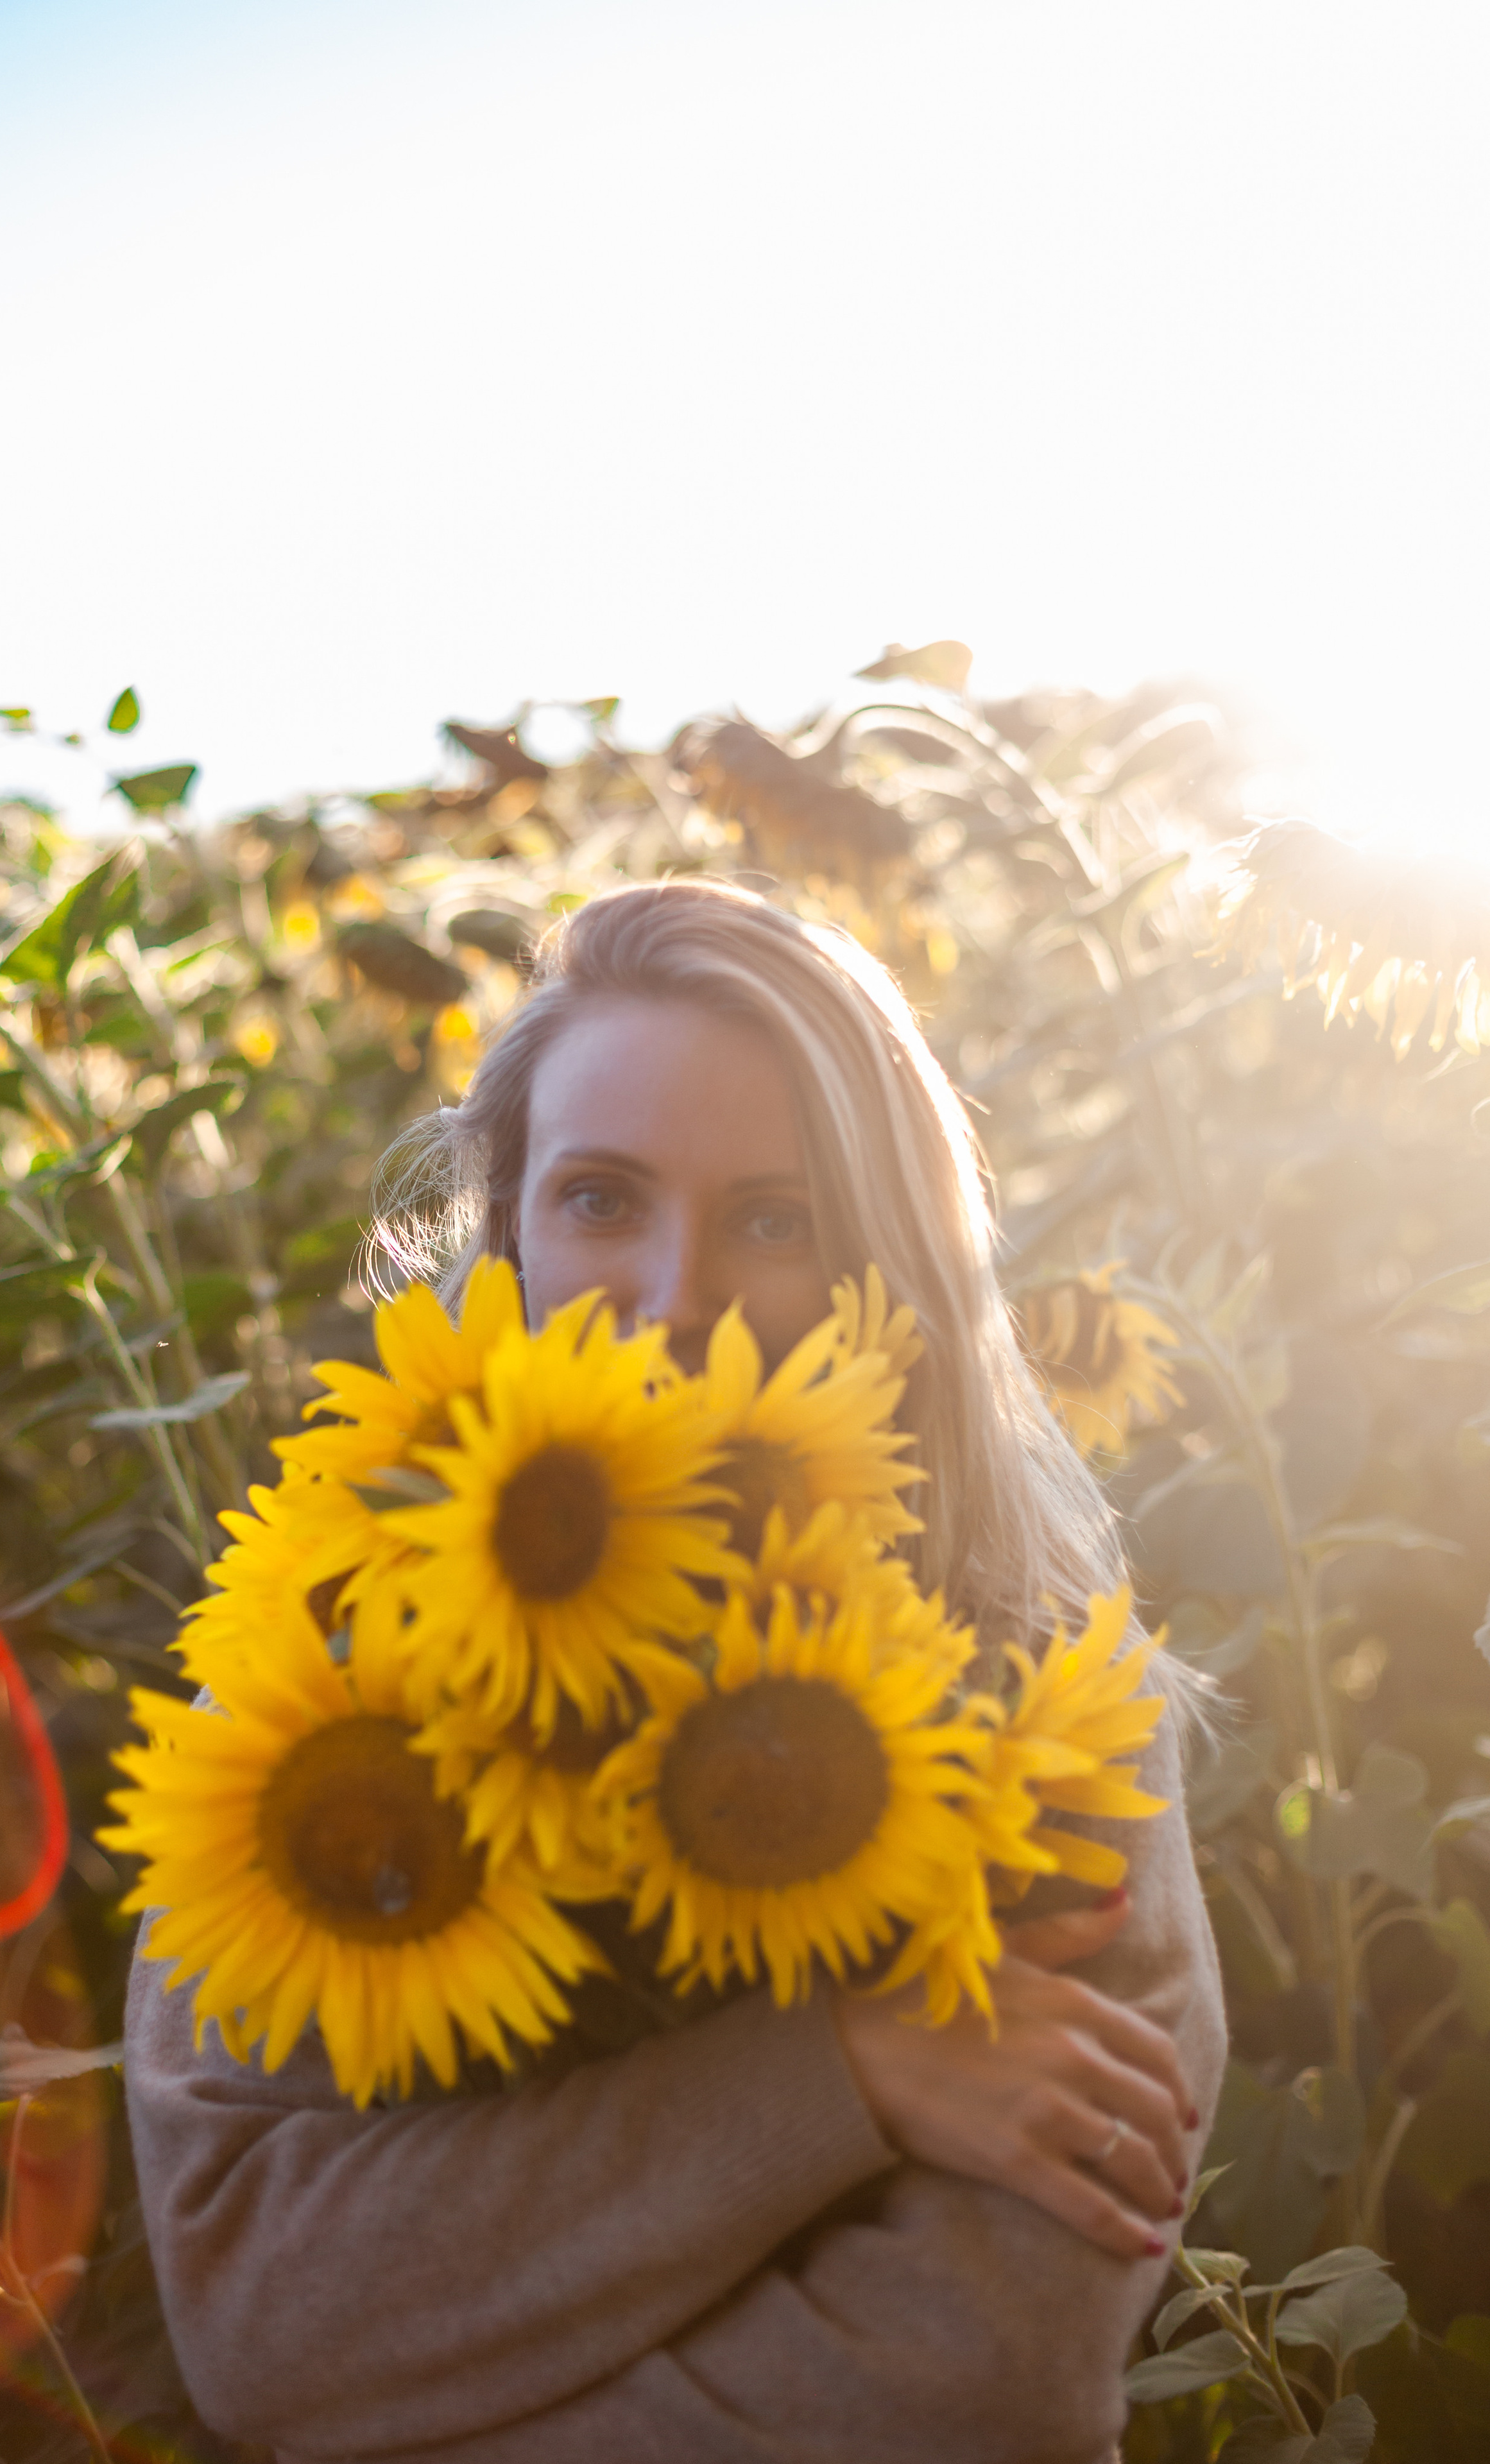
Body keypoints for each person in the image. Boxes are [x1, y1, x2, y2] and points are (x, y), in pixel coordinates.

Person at [125, 877, 1227, 2464]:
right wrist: (844, 2071)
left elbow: (985, 2380)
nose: (674, 1302)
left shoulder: (1039, 1680)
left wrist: (432, 2376)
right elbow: (264, 2314)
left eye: (772, 1220)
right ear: (507, 1227)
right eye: (600, 1199)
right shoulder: (323, 1674)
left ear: (887, 1257)